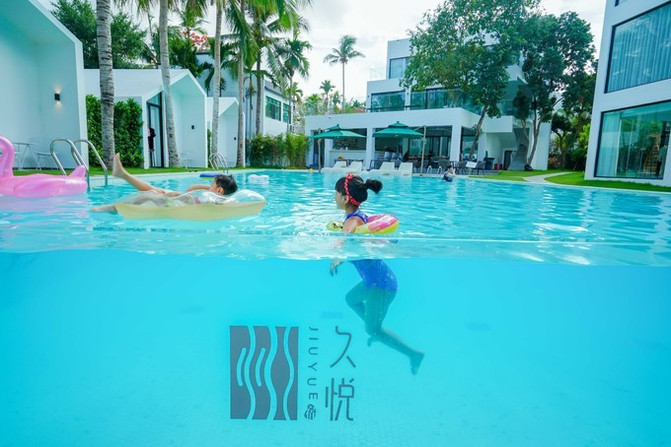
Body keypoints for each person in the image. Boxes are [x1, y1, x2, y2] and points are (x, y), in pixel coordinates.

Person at [329, 174, 425, 374]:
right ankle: (376, 328)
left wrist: (337, 256)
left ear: (345, 198)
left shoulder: (352, 221)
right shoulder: (358, 216)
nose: (334, 197)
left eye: (336, 193)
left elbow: (344, 238)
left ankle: (413, 354)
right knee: (350, 299)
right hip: (375, 280)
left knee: (371, 329)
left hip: (381, 285)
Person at [91, 153, 237, 213]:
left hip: (173, 204)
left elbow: (190, 191)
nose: (208, 187)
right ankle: (122, 174)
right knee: (155, 191)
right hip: (175, 200)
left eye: (212, 184)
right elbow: (190, 190)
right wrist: (210, 188)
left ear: (219, 190)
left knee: (149, 194)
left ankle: (109, 208)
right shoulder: (212, 196)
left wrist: (211, 189)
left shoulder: (215, 199)